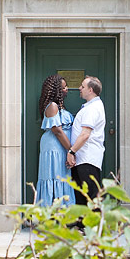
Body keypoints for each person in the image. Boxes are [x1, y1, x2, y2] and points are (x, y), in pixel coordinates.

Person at [33, 73, 74, 208]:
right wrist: (71, 150)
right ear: (56, 90)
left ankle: (62, 212)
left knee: (61, 177)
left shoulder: (58, 106)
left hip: (60, 147)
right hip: (54, 147)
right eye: (63, 88)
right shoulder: (52, 106)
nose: (66, 89)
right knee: (55, 177)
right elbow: (57, 130)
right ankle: (52, 214)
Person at [66, 74, 106, 206]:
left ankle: (95, 226)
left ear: (90, 90)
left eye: (82, 86)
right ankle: (83, 224)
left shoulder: (93, 109)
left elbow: (85, 134)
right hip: (83, 157)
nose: (79, 88)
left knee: (91, 195)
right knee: (83, 195)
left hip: (88, 158)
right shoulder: (91, 106)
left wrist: (71, 151)